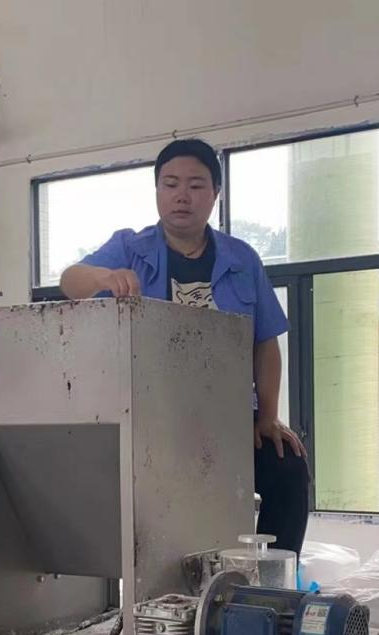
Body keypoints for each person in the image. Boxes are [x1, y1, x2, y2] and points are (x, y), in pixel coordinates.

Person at [60, 138, 310, 555]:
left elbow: (265, 342)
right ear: (157, 190)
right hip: (150, 418)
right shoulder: (129, 248)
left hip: (230, 419)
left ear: (215, 193)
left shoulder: (242, 259)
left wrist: (267, 417)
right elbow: (70, 280)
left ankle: (272, 582)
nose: (182, 196)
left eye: (195, 185)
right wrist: (105, 278)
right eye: (171, 184)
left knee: (288, 466)